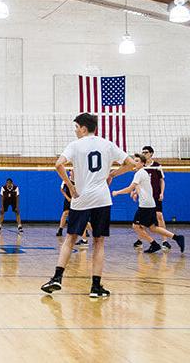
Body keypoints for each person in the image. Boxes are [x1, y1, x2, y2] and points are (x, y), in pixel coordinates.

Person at [41, 113, 136, 298]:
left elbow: (58, 164)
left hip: (81, 198)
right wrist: (112, 175)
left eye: (76, 127)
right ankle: (96, 287)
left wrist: (70, 185)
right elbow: (131, 164)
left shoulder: (75, 145)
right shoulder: (107, 144)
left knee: (70, 238)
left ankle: (56, 278)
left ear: (84, 128)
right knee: (99, 242)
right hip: (102, 198)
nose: (75, 131)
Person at [113, 153, 185, 255]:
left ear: (142, 163)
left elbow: (129, 188)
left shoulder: (139, 173)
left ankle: (154, 244)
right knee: (152, 228)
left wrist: (117, 192)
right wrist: (135, 193)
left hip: (145, 205)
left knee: (136, 226)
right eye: (134, 161)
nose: (134, 163)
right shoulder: (143, 173)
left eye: (137, 161)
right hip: (149, 204)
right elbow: (140, 187)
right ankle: (177, 237)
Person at [133, 146, 168, 250]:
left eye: (146, 152)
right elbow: (137, 182)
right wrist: (135, 192)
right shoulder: (141, 167)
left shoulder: (157, 166)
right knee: (141, 222)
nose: (144, 153)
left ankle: (165, 241)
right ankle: (140, 240)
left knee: (159, 216)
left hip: (155, 195)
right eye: (142, 152)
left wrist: (162, 193)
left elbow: (162, 180)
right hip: (145, 198)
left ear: (151, 153)